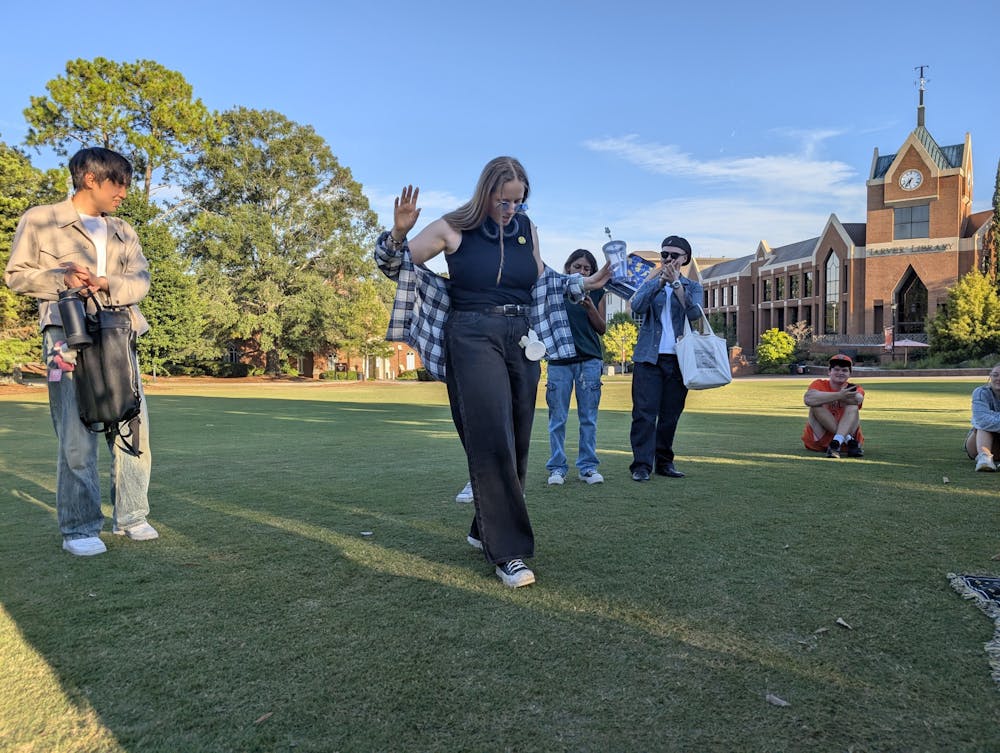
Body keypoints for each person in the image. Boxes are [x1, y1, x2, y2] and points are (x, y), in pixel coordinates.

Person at [374, 156, 609, 588]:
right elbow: (395, 265)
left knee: (518, 439)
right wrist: (398, 233)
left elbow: (541, 278)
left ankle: (483, 527)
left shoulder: (526, 229)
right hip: (471, 332)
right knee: (491, 435)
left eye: (519, 202)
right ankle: (509, 553)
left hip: (522, 336)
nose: (511, 211)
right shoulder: (452, 226)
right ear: (486, 193)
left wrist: (583, 285)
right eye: (504, 201)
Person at [4, 147, 156, 556]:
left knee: (133, 425)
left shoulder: (124, 229)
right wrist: (61, 276)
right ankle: (79, 527)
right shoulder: (41, 219)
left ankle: (132, 516)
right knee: (74, 430)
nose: (124, 192)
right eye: (119, 183)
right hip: (62, 337)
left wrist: (107, 283)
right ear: (91, 178)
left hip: (119, 332)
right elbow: (15, 276)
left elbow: (140, 280)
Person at [628, 236, 704, 481]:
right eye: (664, 255)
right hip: (648, 358)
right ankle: (641, 465)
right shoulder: (651, 282)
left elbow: (695, 315)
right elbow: (637, 307)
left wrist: (677, 287)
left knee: (670, 414)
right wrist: (659, 283)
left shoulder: (692, 286)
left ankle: (664, 462)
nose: (668, 259)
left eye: (674, 255)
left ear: (685, 259)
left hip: (679, 360)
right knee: (644, 413)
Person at [545, 249, 607, 485]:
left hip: (589, 360)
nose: (581, 271)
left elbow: (602, 329)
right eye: (577, 266)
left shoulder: (597, 291)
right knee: (557, 418)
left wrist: (590, 307)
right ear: (568, 267)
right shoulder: (555, 291)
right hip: (559, 361)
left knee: (588, 418)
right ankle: (557, 468)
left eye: (587, 269)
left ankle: (588, 468)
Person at [802, 354, 865, 459]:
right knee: (815, 405)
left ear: (849, 374)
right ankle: (847, 439)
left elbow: (858, 399)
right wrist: (839, 395)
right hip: (820, 441)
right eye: (836, 369)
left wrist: (847, 396)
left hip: (847, 445)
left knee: (853, 406)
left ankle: (836, 442)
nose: (840, 373)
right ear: (829, 371)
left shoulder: (853, 387)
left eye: (844, 370)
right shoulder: (819, 384)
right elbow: (808, 399)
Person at [964, 363, 1000, 471]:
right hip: (978, 443)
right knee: (982, 426)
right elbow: (982, 419)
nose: (999, 378)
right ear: (990, 377)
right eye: (995, 375)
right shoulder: (980, 392)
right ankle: (985, 459)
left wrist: (992, 416)